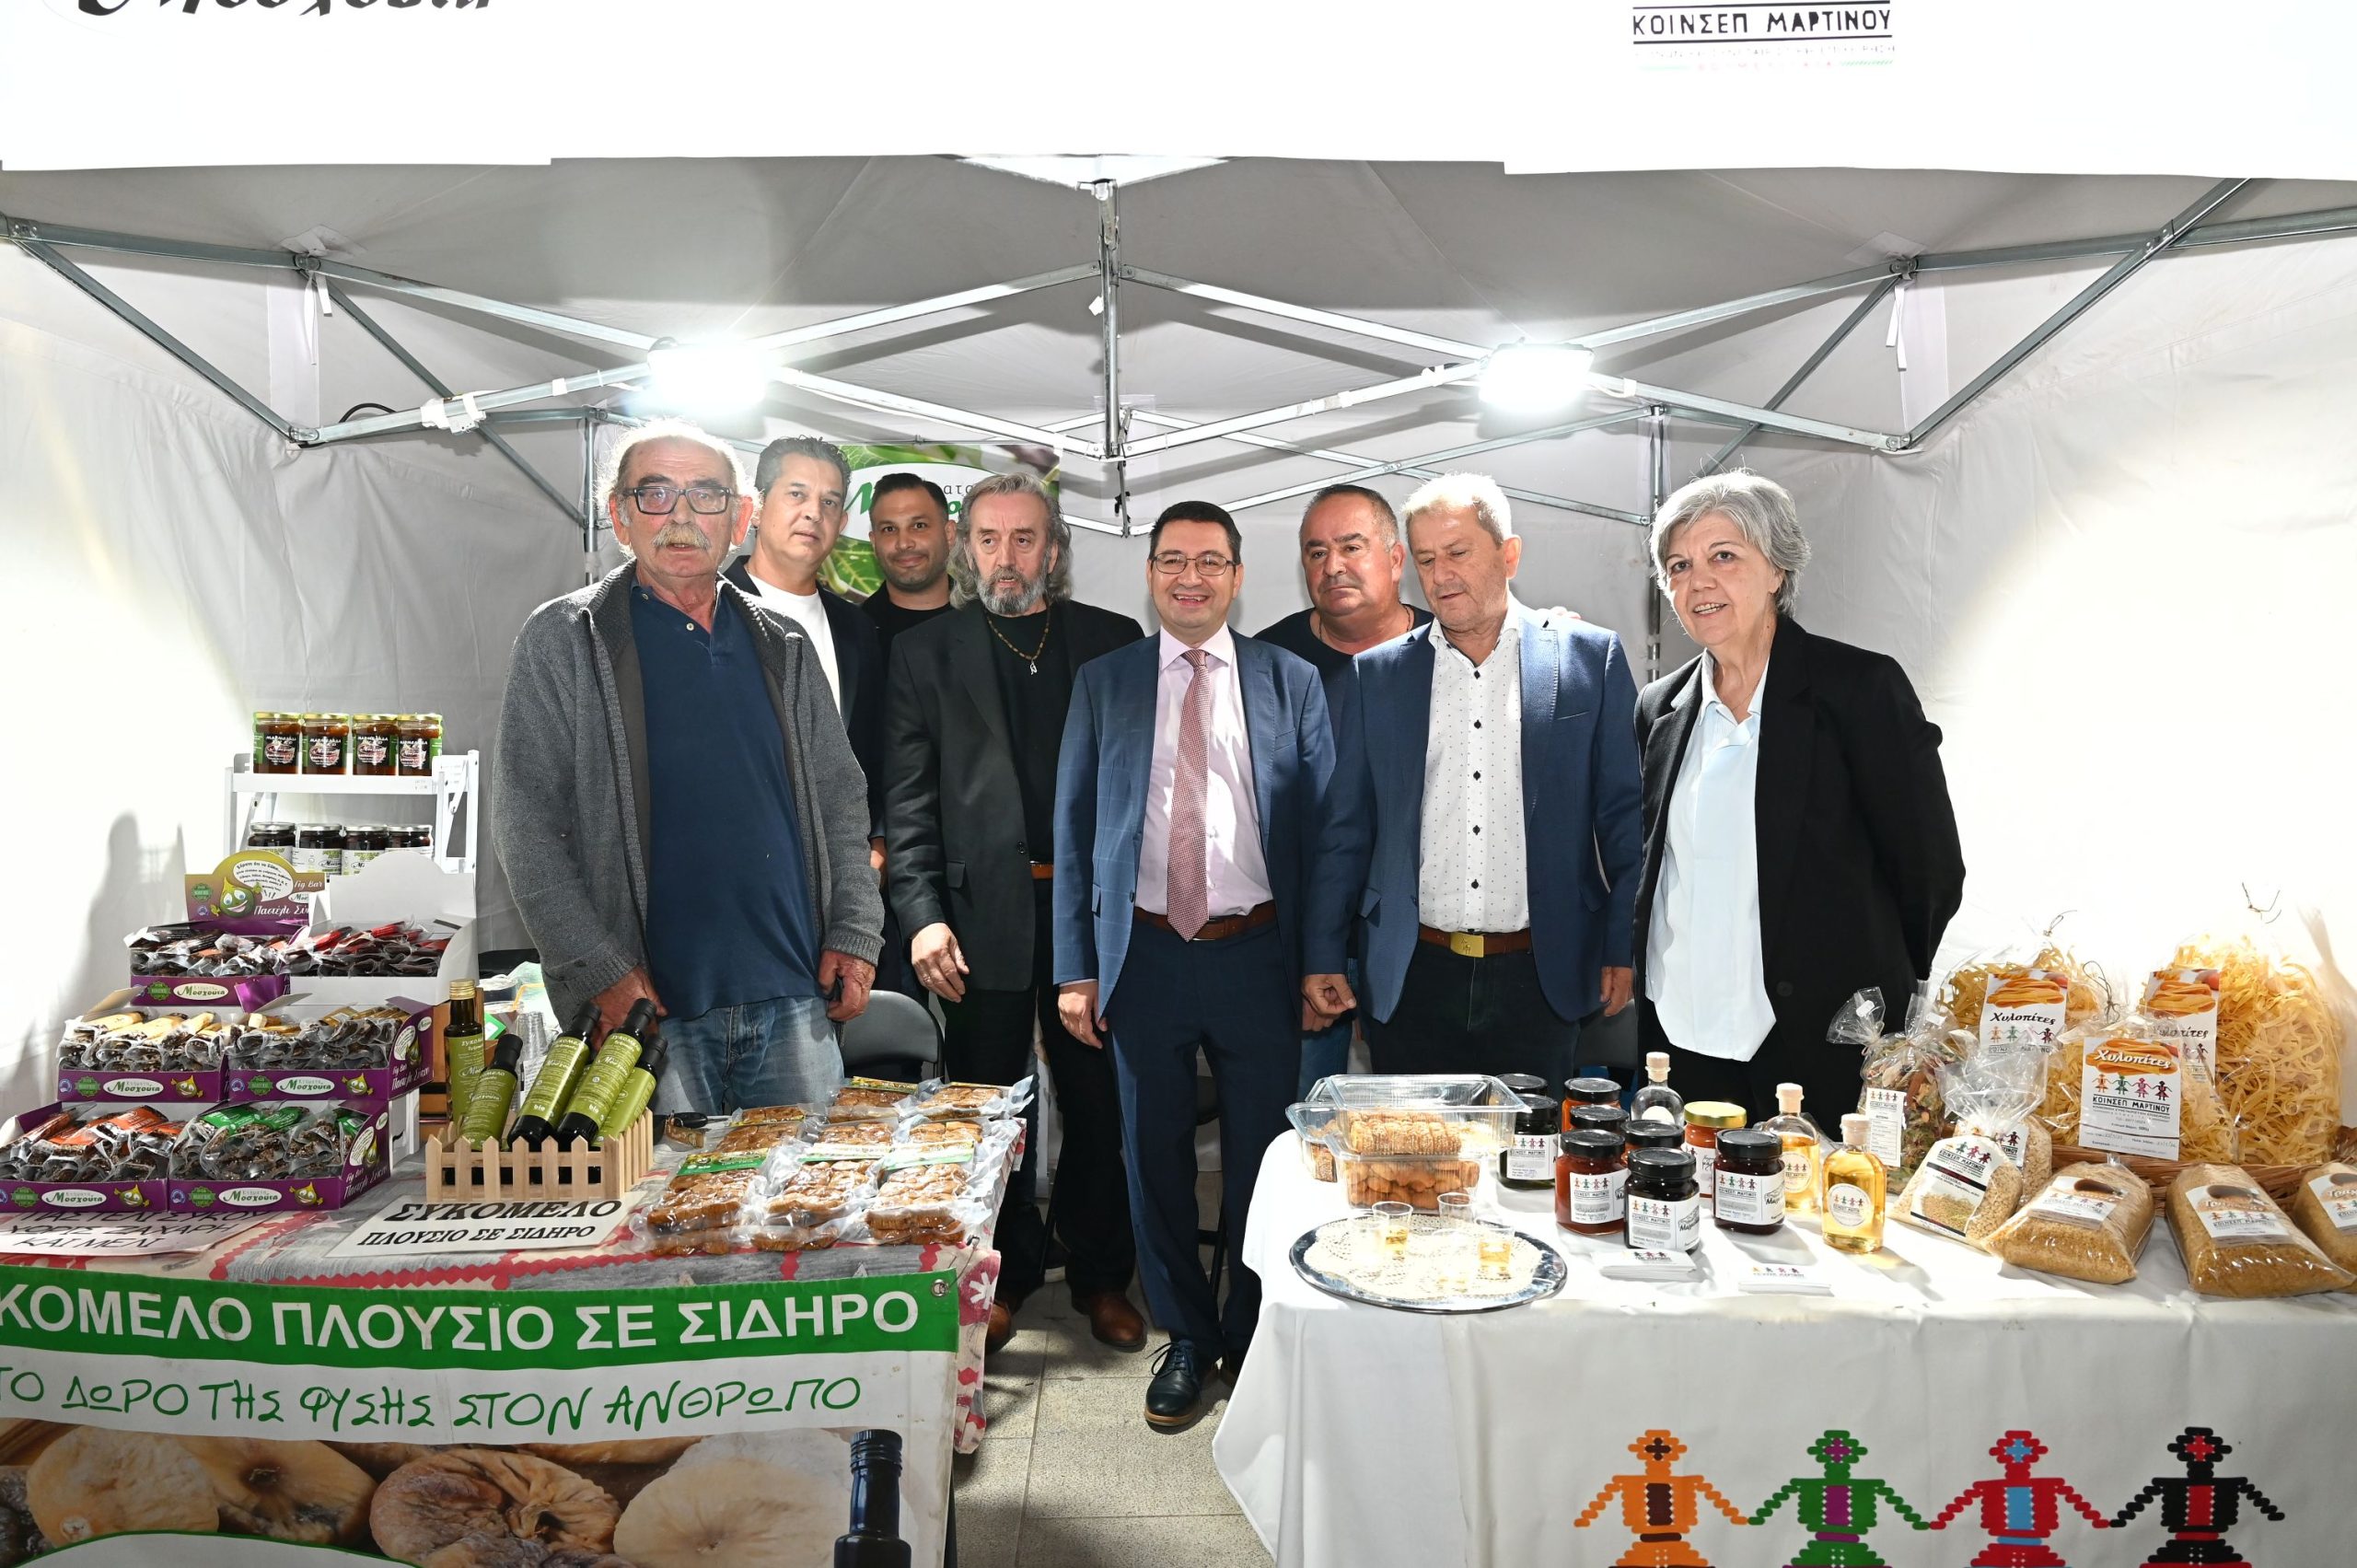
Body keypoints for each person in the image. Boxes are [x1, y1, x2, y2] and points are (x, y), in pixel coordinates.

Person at [493, 421, 881, 1112]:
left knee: (801, 1185)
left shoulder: (783, 643)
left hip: (794, 996)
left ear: (739, 517)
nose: (680, 516)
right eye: (655, 494)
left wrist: (854, 931)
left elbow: (841, 799)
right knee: (657, 1189)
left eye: (705, 495)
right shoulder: (566, 639)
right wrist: (598, 970)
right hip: (647, 1012)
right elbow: (526, 829)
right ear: (619, 515)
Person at [1054, 500, 1332, 1432]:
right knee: (1154, 1156)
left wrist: (1320, 960)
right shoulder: (1106, 682)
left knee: (1262, 1157)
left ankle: (1249, 1332)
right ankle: (1185, 1332)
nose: (1191, 577)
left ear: (1237, 576)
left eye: (1210, 561)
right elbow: (1073, 828)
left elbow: (1328, 831)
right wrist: (1076, 968)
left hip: (1258, 953)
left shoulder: (1290, 680)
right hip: (1143, 955)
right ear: (1150, 575)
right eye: (1173, 560)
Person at [882, 470, 1146, 1356]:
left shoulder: (1111, 642)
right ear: (967, 549)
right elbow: (907, 806)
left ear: (1055, 550)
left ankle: (1102, 1274)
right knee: (990, 1110)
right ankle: (1002, 1273)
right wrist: (921, 914)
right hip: (974, 918)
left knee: (1099, 1106)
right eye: (990, 538)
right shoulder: (925, 653)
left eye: (1025, 538)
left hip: (1091, 916)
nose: (1007, 555)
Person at [1632, 470, 1964, 1122]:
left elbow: (1929, 867)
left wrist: (1876, 985)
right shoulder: (1659, 706)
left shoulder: (1858, 690)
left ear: (1777, 570)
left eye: (1724, 556)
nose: (1698, 583)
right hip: (1681, 1037)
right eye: (1679, 566)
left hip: (1818, 1039)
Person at [1304, 473, 1643, 1086]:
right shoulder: (1377, 676)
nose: (1441, 575)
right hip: (1412, 974)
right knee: (1411, 1146)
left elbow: (1624, 821)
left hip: (1541, 974)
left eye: (1458, 552)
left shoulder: (1589, 659)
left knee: (1533, 1146)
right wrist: (1325, 953)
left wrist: (1622, 944)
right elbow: (1345, 830)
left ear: (1509, 554)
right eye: (1427, 559)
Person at [1253, 483, 1432, 1095]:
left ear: (1396, 559)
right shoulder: (1267, 663)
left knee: (1419, 1117)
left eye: (1351, 547)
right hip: (1300, 939)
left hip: (1420, 938)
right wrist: (1305, 954)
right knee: (1303, 1114)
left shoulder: (1450, 652)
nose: (1333, 566)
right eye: (1316, 552)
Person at [725, 436, 887, 854]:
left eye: (829, 502)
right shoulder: (708, 612)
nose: (814, 512)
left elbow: (876, 754)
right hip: (736, 863)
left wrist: (878, 845)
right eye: (797, 494)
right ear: (756, 508)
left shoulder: (858, 630)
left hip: (843, 872)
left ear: (842, 522)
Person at [859, 471, 956, 662]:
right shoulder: (851, 635)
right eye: (889, 529)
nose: (903, 543)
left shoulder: (991, 623)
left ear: (949, 534)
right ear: (874, 542)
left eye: (919, 526)